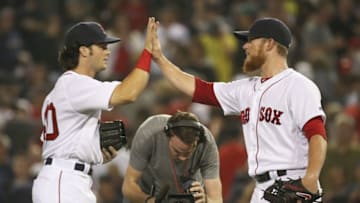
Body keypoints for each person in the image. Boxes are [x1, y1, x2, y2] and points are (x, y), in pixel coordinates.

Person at [151, 17, 327, 202]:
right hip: (261, 188)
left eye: (251, 41)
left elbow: (316, 134)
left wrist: (310, 178)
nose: (245, 47)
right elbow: (200, 90)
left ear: (269, 44)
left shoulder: (298, 86)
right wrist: (160, 59)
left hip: (293, 183)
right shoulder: (245, 89)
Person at [32, 17, 156, 203]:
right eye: (102, 46)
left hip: (70, 179)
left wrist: (96, 153)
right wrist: (147, 52)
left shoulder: (68, 87)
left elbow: (65, 142)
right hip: (63, 181)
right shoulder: (75, 83)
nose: (107, 51)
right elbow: (129, 93)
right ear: (83, 50)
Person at [122, 111, 222, 203]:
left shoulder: (207, 143)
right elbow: (128, 188)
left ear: (197, 142)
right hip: (146, 195)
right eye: (177, 152)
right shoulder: (149, 133)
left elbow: (216, 199)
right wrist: (152, 201)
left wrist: (205, 200)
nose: (182, 158)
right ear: (167, 136)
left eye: (188, 153)